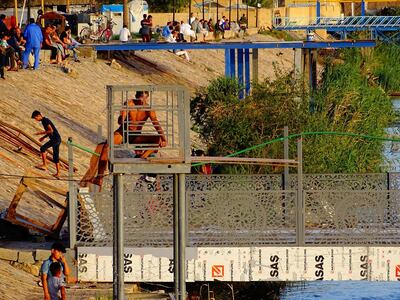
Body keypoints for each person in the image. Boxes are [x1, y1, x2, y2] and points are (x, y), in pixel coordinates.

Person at [113, 91, 167, 158]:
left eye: (144, 98)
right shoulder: (129, 103)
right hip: (123, 132)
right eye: (140, 98)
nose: (142, 101)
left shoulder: (148, 109)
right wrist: (122, 117)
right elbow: (119, 121)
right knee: (108, 145)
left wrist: (163, 138)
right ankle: (101, 167)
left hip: (136, 135)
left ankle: (142, 157)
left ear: (147, 98)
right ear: (136, 97)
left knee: (158, 139)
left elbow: (156, 123)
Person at [31, 110, 62, 178]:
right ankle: (58, 173)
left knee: (42, 148)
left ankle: (44, 165)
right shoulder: (44, 120)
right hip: (58, 139)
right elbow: (49, 132)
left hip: (55, 139)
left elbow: (51, 130)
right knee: (55, 156)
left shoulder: (45, 120)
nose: (36, 120)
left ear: (38, 116)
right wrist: (43, 137)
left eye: (35, 118)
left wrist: (40, 133)